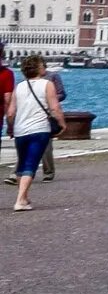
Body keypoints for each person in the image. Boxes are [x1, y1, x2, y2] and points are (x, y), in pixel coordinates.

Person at [11, 52, 60, 210]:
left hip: (20, 130)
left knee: (22, 164)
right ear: (39, 68)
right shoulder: (47, 84)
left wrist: (11, 127)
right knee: (31, 164)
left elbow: (11, 112)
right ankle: (19, 200)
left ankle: (24, 198)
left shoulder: (19, 87)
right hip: (39, 129)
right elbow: (54, 107)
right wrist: (62, 123)